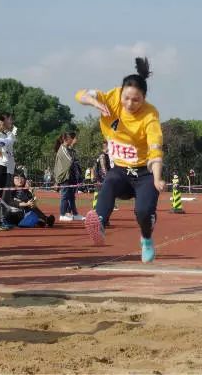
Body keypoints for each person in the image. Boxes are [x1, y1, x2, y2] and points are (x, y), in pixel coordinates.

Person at [76, 57, 165, 262]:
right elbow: (80, 94)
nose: (130, 104)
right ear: (121, 92)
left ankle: (147, 239)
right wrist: (94, 102)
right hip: (121, 171)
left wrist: (158, 178)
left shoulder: (150, 116)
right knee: (110, 181)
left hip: (145, 173)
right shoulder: (112, 97)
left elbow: (155, 148)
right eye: (126, 98)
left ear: (144, 98)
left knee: (143, 213)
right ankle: (99, 222)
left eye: (136, 100)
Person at [0, 113, 17, 230]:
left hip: (5, 166)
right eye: (7, 119)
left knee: (1, 195)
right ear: (0, 121)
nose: (9, 122)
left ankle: (0, 220)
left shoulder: (5, 133)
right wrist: (5, 154)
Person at [53, 132, 84, 222]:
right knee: (65, 195)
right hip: (64, 176)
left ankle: (75, 214)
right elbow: (70, 160)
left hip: (69, 175)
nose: (74, 140)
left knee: (71, 196)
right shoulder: (63, 149)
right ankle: (62, 214)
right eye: (71, 138)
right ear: (67, 139)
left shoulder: (67, 148)